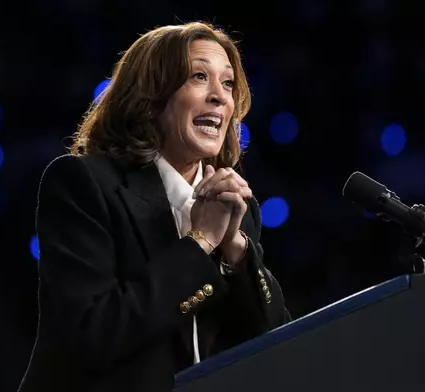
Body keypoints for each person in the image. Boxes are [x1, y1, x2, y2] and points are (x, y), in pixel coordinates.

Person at [17, 22, 290, 392]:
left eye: (227, 84)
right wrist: (199, 242)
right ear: (150, 97)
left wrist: (237, 255)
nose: (220, 98)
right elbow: (93, 335)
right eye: (198, 76)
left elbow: (278, 350)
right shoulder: (83, 184)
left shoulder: (237, 208)